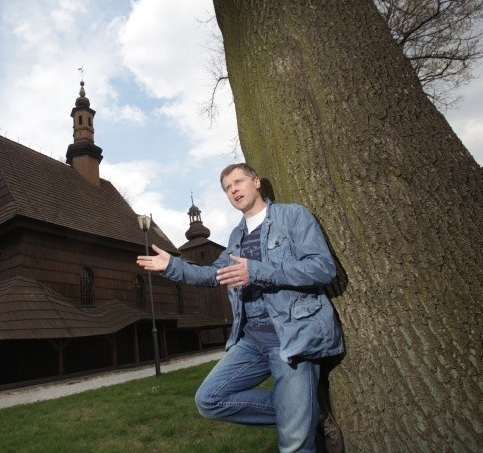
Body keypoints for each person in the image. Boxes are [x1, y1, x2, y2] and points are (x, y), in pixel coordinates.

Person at [137, 163, 344, 453]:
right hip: (251, 342)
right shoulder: (237, 237)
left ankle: (301, 415)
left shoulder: (292, 216)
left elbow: (322, 268)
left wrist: (258, 271)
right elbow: (213, 275)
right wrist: (172, 266)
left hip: (292, 337)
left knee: (294, 444)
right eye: (227, 187)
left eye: (238, 181)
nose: (233, 189)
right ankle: (308, 413)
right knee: (209, 400)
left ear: (256, 182)